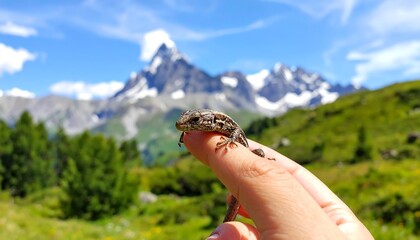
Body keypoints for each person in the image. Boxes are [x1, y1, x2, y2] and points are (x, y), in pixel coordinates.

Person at [181, 131, 374, 240]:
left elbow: (238, 134)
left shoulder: (221, 123)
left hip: (246, 155)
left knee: (231, 221)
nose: (189, 126)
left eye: (195, 122)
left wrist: (231, 140)